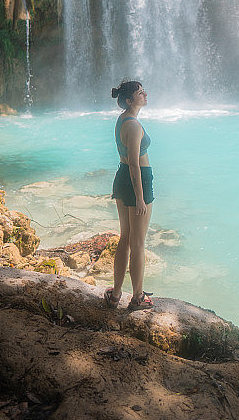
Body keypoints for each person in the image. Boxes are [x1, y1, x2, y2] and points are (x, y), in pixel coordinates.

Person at [104, 79, 154, 310]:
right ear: (128, 100)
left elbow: (127, 163)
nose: (145, 95)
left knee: (125, 238)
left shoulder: (121, 119)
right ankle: (137, 298)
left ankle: (115, 294)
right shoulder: (134, 125)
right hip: (137, 180)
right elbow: (135, 165)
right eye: (140, 93)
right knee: (138, 243)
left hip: (121, 176)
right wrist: (141, 197)